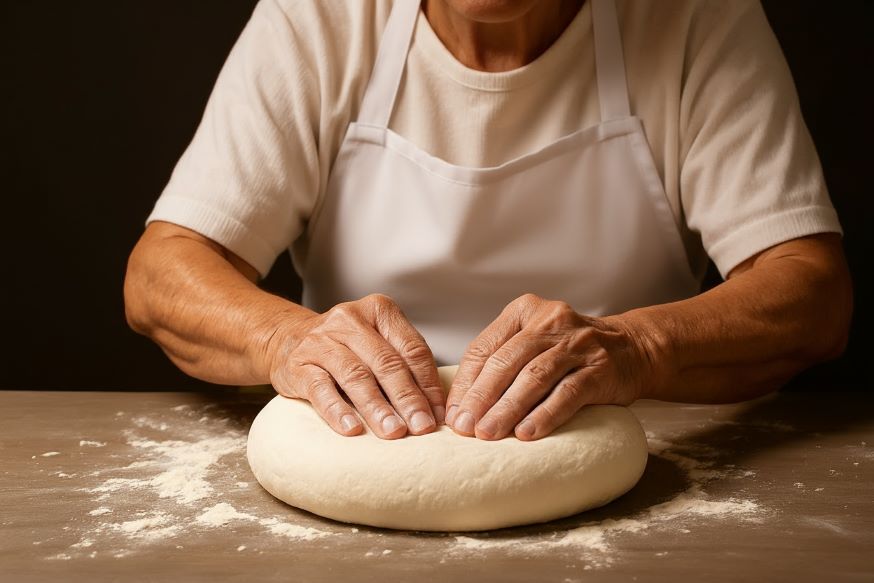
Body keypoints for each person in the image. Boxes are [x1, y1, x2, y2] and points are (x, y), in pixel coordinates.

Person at [124, 0, 852, 443]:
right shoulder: (319, 19)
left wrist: (640, 347)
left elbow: (813, 291)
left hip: (651, 458)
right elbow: (161, 270)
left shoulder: (695, 18)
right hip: (365, 439)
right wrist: (285, 340)